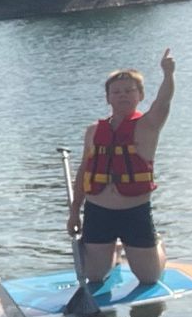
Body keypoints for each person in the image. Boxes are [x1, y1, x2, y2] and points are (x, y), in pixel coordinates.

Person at [67, 50, 175, 289]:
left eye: (129, 91)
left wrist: (168, 74)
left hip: (134, 212)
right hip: (98, 211)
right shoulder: (94, 131)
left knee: (149, 278)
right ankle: (114, 251)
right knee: (94, 276)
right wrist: (75, 211)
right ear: (108, 98)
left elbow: (164, 103)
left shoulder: (147, 126)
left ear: (140, 95)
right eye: (116, 92)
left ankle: (157, 245)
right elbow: (84, 172)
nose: (123, 95)